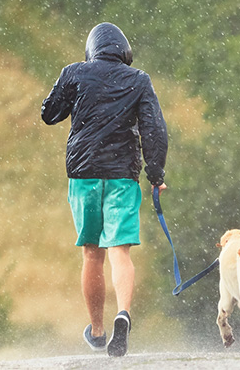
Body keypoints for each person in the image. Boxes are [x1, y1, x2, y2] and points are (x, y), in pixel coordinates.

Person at [41, 22, 168, 357]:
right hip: (122, 175)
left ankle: (98, 331)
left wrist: (72, 89)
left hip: (83, 174)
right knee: (119, 251)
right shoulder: (138, 79)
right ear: (123, 52)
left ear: (91, 49)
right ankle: (122, 315)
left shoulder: (75, 72)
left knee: (91, 253)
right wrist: (156, 174)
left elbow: (50, 114)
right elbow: (154, 128)